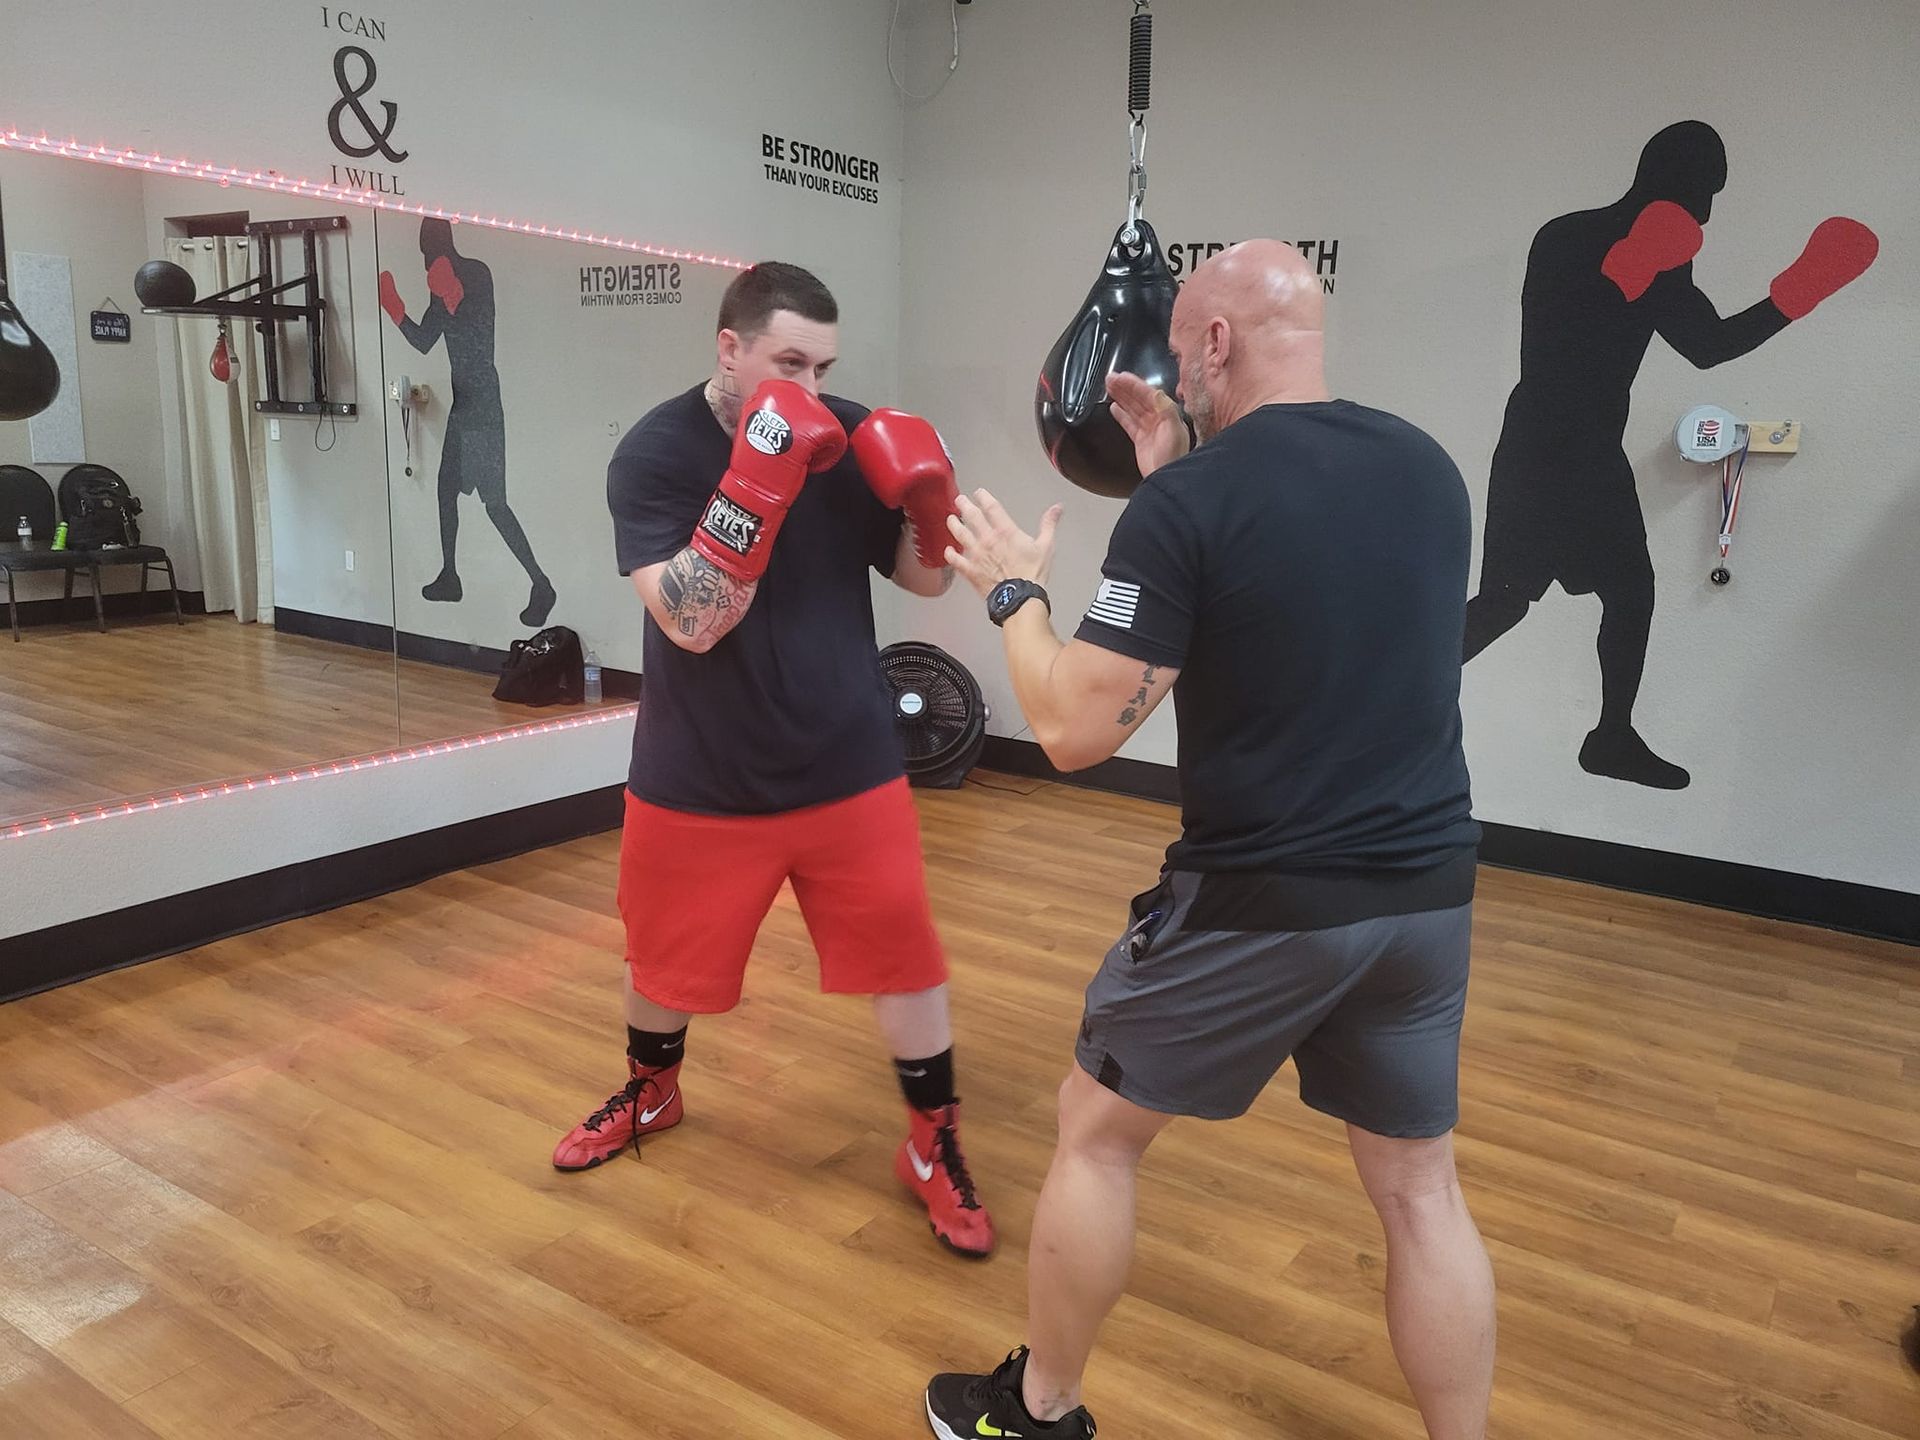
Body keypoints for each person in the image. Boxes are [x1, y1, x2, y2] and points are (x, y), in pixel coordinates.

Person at [926, 241, 1496, 1438]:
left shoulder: (1192, 504)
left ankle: (1038, 1411)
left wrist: (1015, 593)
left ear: (1218, 342)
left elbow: (1072, 729)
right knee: (1419, 1191)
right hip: (1428, 891)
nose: (1176, 374)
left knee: (1095, 1135)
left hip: (1264, 899)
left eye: (1182, 352)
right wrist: (1178, 475)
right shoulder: (1427, 468)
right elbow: (1292, 580)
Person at [553, 260, 995, 1260]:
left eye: (823, 366)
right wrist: (758, 479)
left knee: (904, 957)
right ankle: (651, 1092)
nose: (811, 386)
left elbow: (923, 581)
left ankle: (933, 1142)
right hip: (700, 767)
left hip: (848, 758)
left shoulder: (848, 434)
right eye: (790, 363)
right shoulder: (657, 452)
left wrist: (930, 506)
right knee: (661, 959)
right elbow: (690, 621)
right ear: (731, 347)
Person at [1462, 120, 1876, 789]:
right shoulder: (1575, 237)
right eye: (1704, 192)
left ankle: (1610, 738)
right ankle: (1387, 696)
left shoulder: (1643, 249)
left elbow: (1705, 346)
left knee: (1619, 591)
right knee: (1512, 601)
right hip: (1549, 441)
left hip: (1579, 444)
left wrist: (1796, 293)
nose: (1705, 212)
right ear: (1674, 181)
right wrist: (1626, 273)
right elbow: (1559, 340)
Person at [380, 217, 556, 627]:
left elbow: (479, 337)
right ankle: (451, 576)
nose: (427, 262)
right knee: (446, 490)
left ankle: (540, 583)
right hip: (465, 406)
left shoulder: (476, 274)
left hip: (483, 404)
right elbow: (425, 341)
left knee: (495, 504)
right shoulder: (440, 286)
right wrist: (397, 310)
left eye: (428, 252)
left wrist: (454, 297)